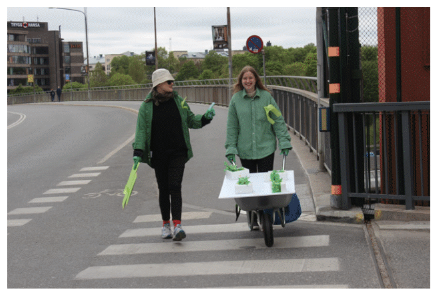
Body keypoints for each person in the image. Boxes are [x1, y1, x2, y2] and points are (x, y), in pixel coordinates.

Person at [132, 68, 215, 241]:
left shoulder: (179, 101)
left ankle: (177, 225)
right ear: (158, 85)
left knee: (175, 187)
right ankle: (165, 225)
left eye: (172, 81)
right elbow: (141, 131)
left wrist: (206, 117)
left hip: (178, 151)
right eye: (168, 82)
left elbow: (192, 121)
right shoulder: (146, 107)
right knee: (164, 189)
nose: (172, 84)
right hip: (159, 154)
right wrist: (138, 151)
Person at [225, 65, 292, 174]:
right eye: (245, 78)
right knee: (249, 185)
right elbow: (232, 126)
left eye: (250, 78)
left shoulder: (267, 97)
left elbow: (278, 120)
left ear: (256, 79)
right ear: (241, 81)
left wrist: (284, 140)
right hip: (245, 150)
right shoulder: (235, 100)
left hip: (266, 148)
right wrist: (230, 147)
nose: (248, 81)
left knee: (265, 184)